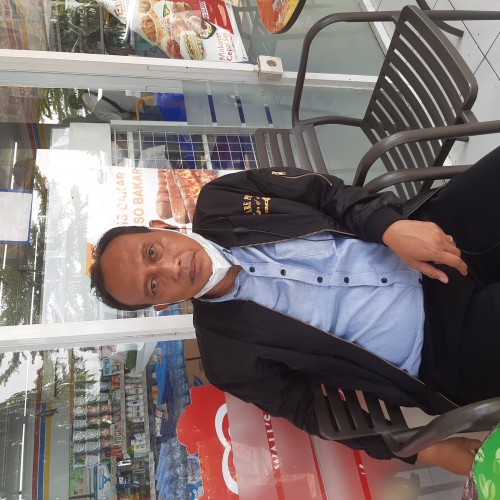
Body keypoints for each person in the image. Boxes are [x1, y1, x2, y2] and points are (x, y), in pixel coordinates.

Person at [90, 146, 500, 475]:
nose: (171, 267)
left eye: (152, 252)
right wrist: (423, 449)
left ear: (159, 228)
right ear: (161, 303)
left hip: (427, 236)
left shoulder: (221, 199)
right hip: (442, 347)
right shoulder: (226, 358)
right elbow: (314, 413)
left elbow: (324, 192)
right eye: (153, 285)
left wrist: (388, 227)